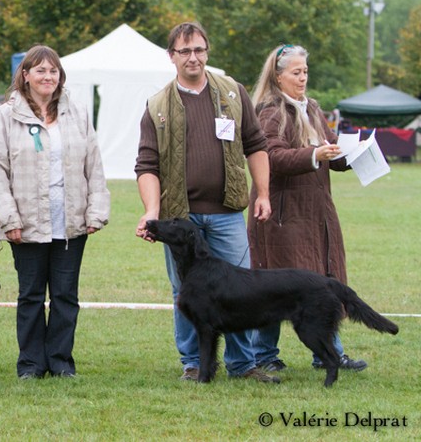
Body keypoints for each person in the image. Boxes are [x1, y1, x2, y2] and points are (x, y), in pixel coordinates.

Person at [134, 22, 277, 383]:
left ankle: (243, 366)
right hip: (180, 218)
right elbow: (146, 165)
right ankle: (194, 364)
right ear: (172, 57)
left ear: (207, 52)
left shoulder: (232, 92)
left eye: (199, 50)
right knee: (185, 292)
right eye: (185, 51)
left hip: (228, 213)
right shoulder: (157, 105)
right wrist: (152, 212)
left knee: (240, 291)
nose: (193, 57)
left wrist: (262, 193)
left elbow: (256, 145)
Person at [0, 45, 110, 379]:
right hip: (25, 223)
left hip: (71, 221)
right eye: (40, 70)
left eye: (53, 71)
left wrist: (97, 210)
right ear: (25, 75)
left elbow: (93, 164)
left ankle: (61, 361)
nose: (48, 77)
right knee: (31, 296)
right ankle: (32, 364)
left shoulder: (76, 112)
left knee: (66, 296)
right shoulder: (6, 116)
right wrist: (8, 218)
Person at [247, 44, 367, 373]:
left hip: (316, 213)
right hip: (282, 216)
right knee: (276, 285)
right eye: (296, 73)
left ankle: (328, 353)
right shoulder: (271, 110)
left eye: (305, 72)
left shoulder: (311, 107)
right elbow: (269, 157)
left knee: (321, 282)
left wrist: (352, 154)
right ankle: (264, 355)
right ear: (278, 76)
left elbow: (329, 149)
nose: (303, 78)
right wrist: (314, 156)